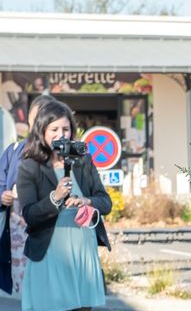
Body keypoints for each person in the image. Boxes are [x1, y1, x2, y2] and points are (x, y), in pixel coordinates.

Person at [16, 100, 112, 311]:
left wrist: (86, 201)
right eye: (54, 129)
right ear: (42, 131)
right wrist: (55, 197)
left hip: (82, 251)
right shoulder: (29, 167)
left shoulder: (83, 161)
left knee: (82, 308)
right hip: (49, 252)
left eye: (66, 129)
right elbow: (30, 214)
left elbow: (105, 202)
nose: (61, 134)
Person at [0, 94, 56, 296]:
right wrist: (3, 196)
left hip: (52, 231)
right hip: (19, 233)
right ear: (30, 121)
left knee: (50, 288)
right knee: (27, 289)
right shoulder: (13, 151)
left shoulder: (60, 153)